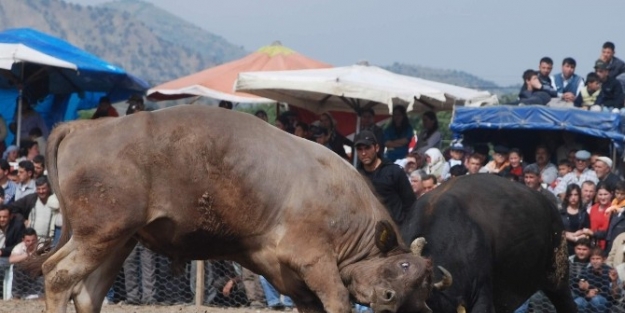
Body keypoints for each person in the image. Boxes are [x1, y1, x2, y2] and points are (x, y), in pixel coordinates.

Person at [355, 130, 416, 226]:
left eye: (367, 148)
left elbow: (410, 204)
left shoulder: (394, 172)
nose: (363, 153)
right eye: (360, 149)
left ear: (376, 148)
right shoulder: (356, 176)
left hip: (396, 231)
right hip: (368, 231)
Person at [575, 247, 619, 312]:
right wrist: (583, 286)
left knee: (596, 300)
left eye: (598, 259)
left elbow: (615, 296)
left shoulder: (610, 272)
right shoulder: (586, 270)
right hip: (588, 298)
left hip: (605, 301)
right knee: (577, 302)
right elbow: (580, 281)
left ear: (604, 260)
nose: (595, 261)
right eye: (593, 259)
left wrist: (614, 281)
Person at [9, 227, 43, 299]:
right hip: (23, 273)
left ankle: (41, 296)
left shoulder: (41, 246)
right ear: (23, 240)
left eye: (33, 240)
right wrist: (28, 255)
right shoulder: (19, 247)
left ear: (36, 239)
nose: (31, 243)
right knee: (17, 267)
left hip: (38, 271)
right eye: (28, 241)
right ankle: (16, 295)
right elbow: (11, 260)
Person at [560, 184, 591, 255]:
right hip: (564, 248)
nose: (573, 197)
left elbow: (587, 231)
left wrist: (579, 236)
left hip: (580, 249)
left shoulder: (584, 213)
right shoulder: (561, 213)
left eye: (576, 195)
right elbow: (558, 231)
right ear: (567, 196)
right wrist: (573, 236)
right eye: (570, 195)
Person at [588, 182, 613, 249]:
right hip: (594, 245)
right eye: (600, 194)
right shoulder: (593, 208)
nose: (603, 197)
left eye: (605, 194)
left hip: (608, 244)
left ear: (611, 194)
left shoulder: (613, 209)